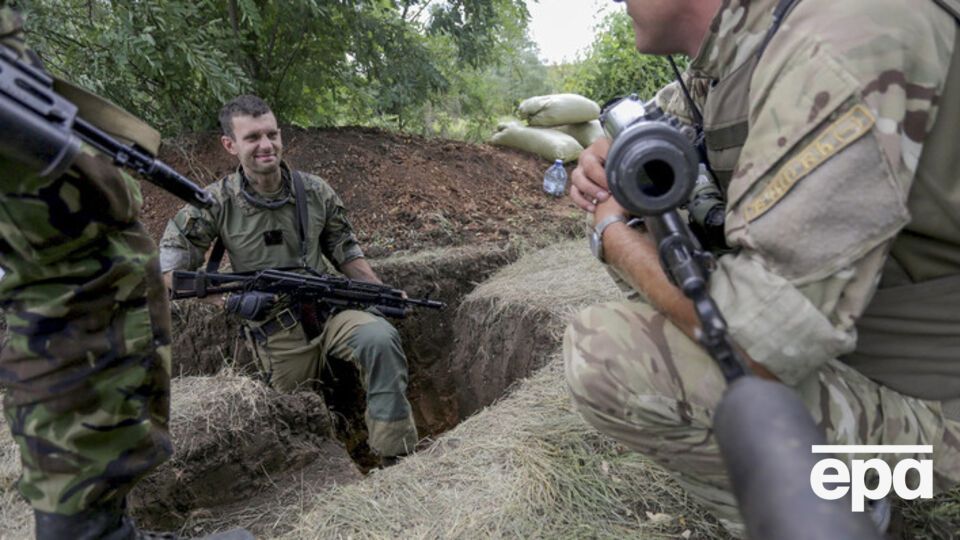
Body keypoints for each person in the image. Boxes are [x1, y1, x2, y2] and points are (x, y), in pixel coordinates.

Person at [564, 0, 960, 534]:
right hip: (885, 355)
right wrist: (613, 152)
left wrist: (612, 234)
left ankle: (840, 504)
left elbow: (752, 350)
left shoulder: (840, 42)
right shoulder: (743, 49)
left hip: (943, 415)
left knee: (610, 357)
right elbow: (674, 118)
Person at [159, 95, 419, 463]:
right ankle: (329, 472)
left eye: (272, 134)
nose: (266, 146)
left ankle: (395, 456)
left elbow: (346, 252)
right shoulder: (214, 204)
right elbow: (168, 275)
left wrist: (380, 292)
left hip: (331, 312)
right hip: (275, 328)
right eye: (252, 138)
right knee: (293, 414)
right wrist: (230, 301)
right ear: (229, 145)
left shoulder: (315, 192)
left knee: (380, 338)